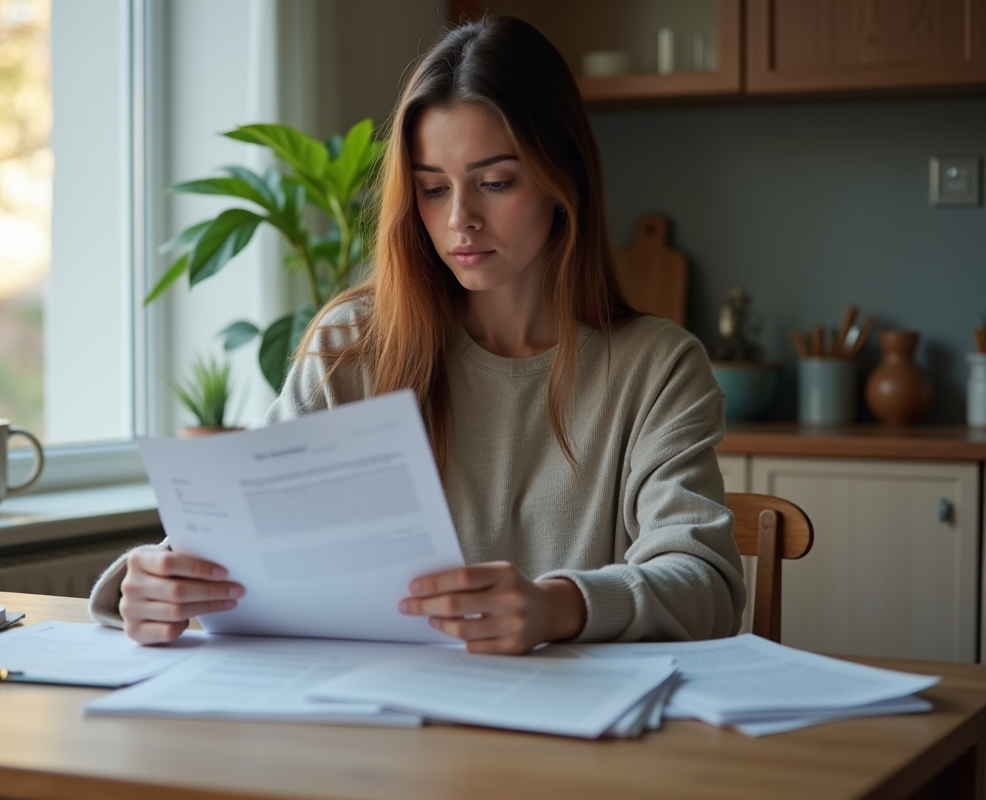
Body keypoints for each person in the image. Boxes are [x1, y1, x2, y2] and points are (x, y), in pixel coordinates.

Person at [89, 15, 745, 654]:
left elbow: (708, 584)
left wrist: (556, 607)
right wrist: (149, 581)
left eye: (494, 182)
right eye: (433, 190)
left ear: (564, 177)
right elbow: (248, 535)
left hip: (581, 744)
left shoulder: (657, 367)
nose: (462, 218)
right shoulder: (354, 345)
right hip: (380, 740)